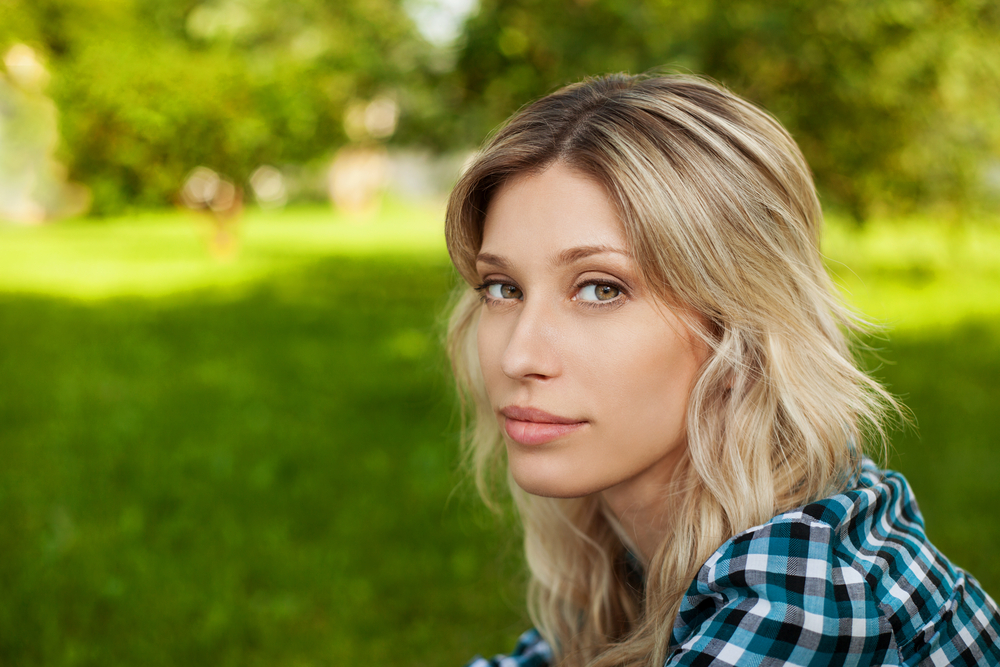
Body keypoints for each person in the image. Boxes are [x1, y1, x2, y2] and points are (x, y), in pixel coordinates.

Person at [443, 73, 1000, 667]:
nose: (518, 356)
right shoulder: (647, 535)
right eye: (502, 287)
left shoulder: (800, 596)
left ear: (740, 325)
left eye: (601, 289)